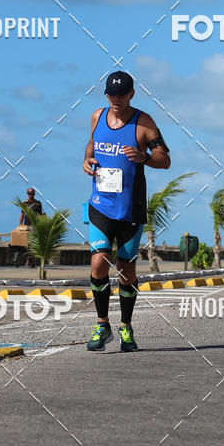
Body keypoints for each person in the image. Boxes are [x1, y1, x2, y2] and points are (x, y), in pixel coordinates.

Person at [82, 70, 171, 352]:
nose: (116, 99)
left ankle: (126, 328)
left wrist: (144, 157)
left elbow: (164, 159)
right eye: (111, 94)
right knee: (99, 262)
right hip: (100, 203)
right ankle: (102, 324)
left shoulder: (143, 123)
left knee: (125, 269)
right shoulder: (97, 116)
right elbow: (91, 145)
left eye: (121, 94)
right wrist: (87, 160)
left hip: (130, 208)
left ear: (131, 94)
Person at [20, 187, 43, 268]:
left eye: (32, 194)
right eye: (29, 194)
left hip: (34, 225)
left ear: (34, 194)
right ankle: (29, 259)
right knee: (26, 244)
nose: (30, 195)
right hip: (26, 225)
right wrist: (20, 225)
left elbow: (40, 215)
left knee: (32, 244)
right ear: (27, 194)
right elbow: (22, 214)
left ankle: (31, 260)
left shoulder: (38, 203)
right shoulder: (25, 203)